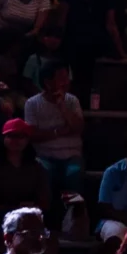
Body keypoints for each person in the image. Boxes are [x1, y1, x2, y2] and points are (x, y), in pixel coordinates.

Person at [0, 118, 54, 246]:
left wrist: (29, 209)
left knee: (47, 238)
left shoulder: (37, 167)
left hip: (27, 216)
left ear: (27, 140)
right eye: (11, 136)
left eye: (20, 136)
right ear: (4, 138)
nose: (15, 140)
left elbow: (45, 201)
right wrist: (8, 210)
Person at [52, 0, 127, 86]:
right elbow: (61, 20)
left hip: (97, 39)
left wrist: (122, 52)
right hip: (74, 38)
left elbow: (111, 25)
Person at [21, 60, 88, 200]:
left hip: (72, 156)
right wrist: (58, 132)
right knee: (44, 173)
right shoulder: (32, 103)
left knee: (74, 174)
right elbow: (32, 134)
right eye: (61, 78)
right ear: (48, 82)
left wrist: (63, 107)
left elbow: (79, 128)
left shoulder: (72, 100)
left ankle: (74, 217)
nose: (66, 82)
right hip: (45, 156)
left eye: (67, 78)